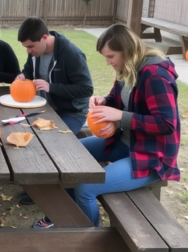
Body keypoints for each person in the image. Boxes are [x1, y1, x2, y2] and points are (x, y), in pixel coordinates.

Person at [47, 24, 180, 227]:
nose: (108, 62)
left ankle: (88, 242)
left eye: (111, 57)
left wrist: (119, 115)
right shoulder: (128, 67)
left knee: (86, 188)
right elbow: (117, 99)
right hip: (124, 142)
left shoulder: (155, 75)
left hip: (150, 156)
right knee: (68, 155)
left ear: (127, 51)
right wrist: (104, 101)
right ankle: (66, 218)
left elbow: (166, 123)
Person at [15, 17, 94, 223]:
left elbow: (86, 89)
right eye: (25, 47)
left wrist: (52, 87)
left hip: (71, 112)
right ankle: (40, 190)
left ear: (44, 38)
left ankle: (62, 204)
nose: (28, 51)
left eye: (31, 46)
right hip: (45, 108)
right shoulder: (35, 52)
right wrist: (23, 76)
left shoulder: (71, 54)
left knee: (56, 146)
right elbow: (28, 70)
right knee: (25, 138)